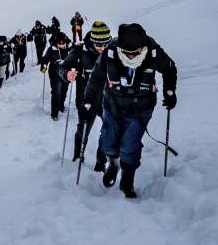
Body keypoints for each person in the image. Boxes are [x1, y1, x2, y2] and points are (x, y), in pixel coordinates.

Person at [83, 23, 177, 199]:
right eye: (126, 53)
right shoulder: (110, 51)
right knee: (108, 142)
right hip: (113, 105)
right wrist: (88, 100)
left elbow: (170, 68)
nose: (130, 56)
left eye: (135, 52)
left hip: (141, 108)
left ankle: (127, 180)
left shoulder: (153, 51)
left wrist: (170, 91)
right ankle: (114, 165)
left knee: (130, 144)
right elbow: (96, 77)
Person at [60, 21, 111, 170]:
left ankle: (101, 163)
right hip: (86, 100)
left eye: (106, 44)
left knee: (108, 132)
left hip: (108, 101)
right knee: (83, 131)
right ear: (93, 41)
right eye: (99, 45)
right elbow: (63, 67)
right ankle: (78, 157)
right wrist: (67, 74)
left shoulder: (113, 50)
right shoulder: (80, 51)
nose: (103, 48)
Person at [42, 31, 72, 120]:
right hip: (54, 72)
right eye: (59, 44)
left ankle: (61, 106)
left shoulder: (69, 47)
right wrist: (44, 67)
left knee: (64, 90)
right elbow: (45, 59)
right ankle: (54, 113)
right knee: (56, 92)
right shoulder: (52, 49)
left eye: (63, 43)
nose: (62, 45)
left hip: (66, 73)